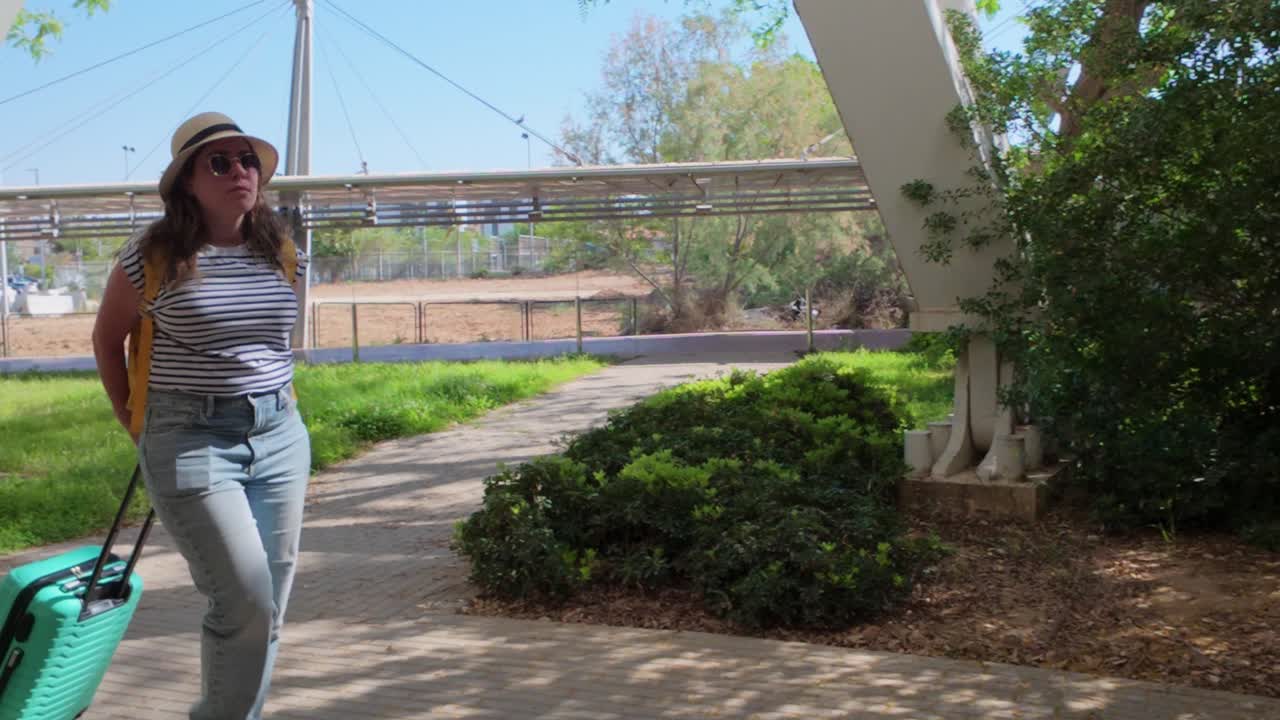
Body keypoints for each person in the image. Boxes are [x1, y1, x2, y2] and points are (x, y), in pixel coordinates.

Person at [92, 112, 309, 720]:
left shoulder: (282, 250)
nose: (240, 172)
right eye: (220, 162)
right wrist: (132, 417)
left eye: (248, 161)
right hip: (189, 438)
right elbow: (108, 341)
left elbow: (273, 344)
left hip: (280, 435)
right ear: (186, 181)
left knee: (269, 606)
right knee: (243, 598)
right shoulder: (153, 255)